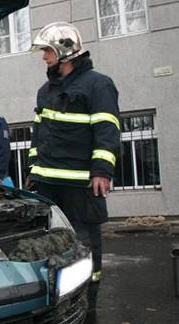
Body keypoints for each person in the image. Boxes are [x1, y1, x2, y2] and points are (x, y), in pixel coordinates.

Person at [25, 21, 120, 308]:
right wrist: (33, 169)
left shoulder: (98, 85)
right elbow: (37, 133)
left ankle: (86, 304)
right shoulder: (45, 91)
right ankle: (55, 300)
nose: (44, 57)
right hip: (47, 185)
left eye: (47, 51)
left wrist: (102, 170)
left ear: (64, 51)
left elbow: (108, 130)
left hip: (80, 185)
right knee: (52, 244)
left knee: (85, 244)